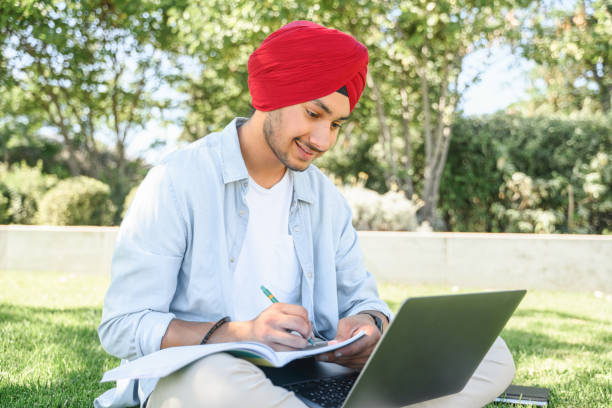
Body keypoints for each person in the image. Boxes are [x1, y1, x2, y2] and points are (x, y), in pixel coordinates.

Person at [95, 21, 515, 408]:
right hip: (208, 373)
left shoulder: (324, 198)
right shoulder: (176, 180)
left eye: (336, 124)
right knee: (212, 380)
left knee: (489, 355)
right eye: (314, 114)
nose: (322, 140)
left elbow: (364, 300)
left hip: (315, 372)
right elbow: (123, 324)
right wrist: (238, 333)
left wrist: (369, 327)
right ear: (273, 95)